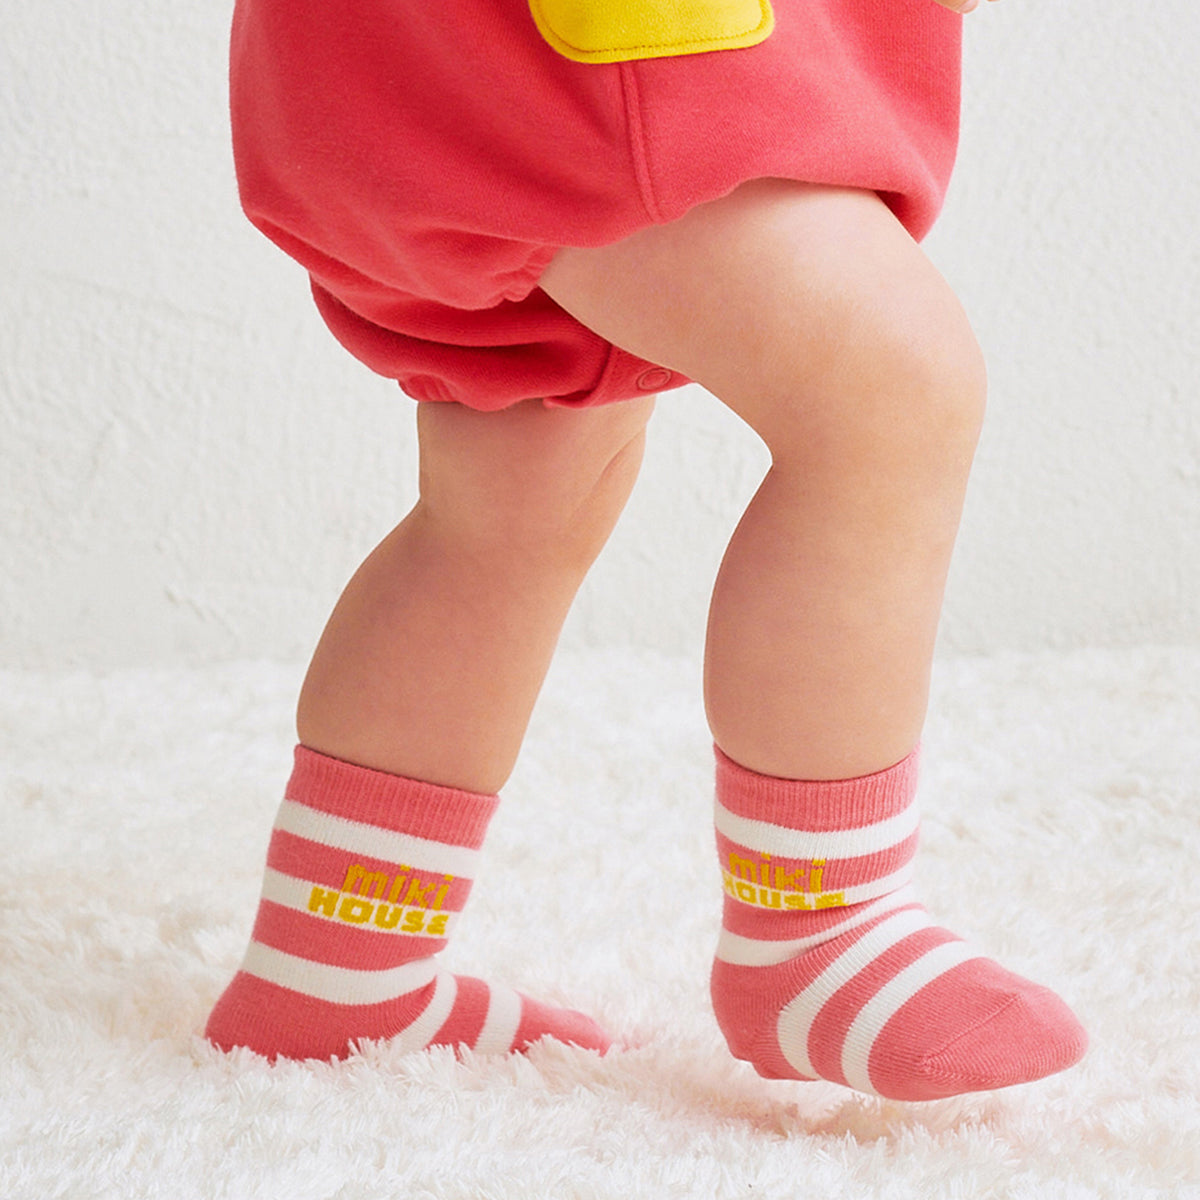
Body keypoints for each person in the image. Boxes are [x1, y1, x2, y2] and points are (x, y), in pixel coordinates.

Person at [205, 0, 1088, 1100]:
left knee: (515, 503)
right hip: (599, 64)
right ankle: (819, 924)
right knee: (893, 388)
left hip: (423, 76)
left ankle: (333, 969)